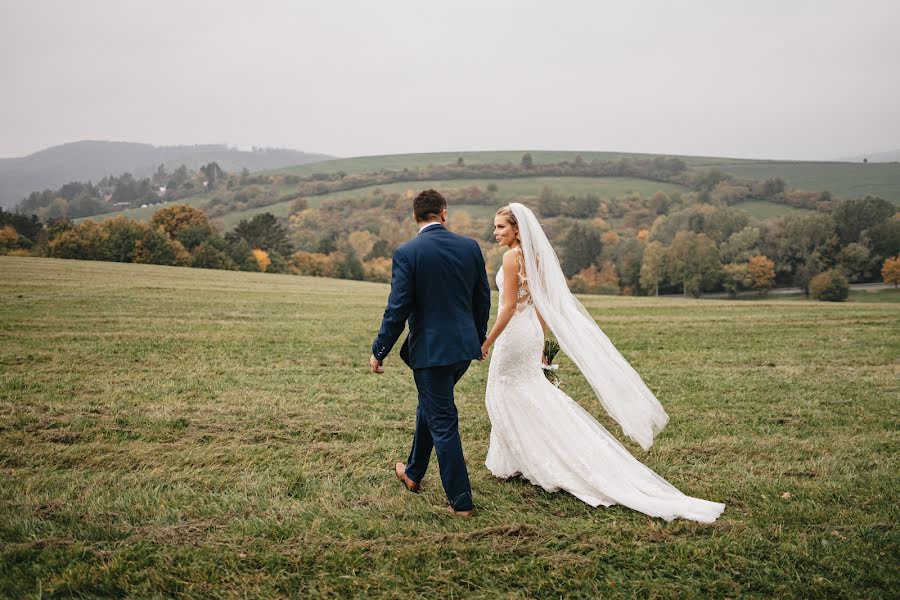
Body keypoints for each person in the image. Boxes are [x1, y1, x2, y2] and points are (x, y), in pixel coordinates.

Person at [479, 203, 725, 523]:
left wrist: (486, 341)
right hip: (529, 335)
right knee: (525, 393)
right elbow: (539, 303)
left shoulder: (512, 257)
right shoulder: (534, 256)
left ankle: (533, 460)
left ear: (516, 229)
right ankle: (515, 460)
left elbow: (509, 306)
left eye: (500, 227)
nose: (495, 232)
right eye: (495, 227)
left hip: (513, 335)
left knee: (505, 391)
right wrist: (540, 338)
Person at [370, 189, 491, 517]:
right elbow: (482, 299)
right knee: (432, 404)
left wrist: (379, 350)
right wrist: (478, 339)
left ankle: (461, 502)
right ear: (443, 213)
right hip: (463, 351)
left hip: (432, 352)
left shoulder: (407, 252)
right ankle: (413, 473)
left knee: (443, 419)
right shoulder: (470, 247)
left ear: (415, 216)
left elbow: (397, 308)